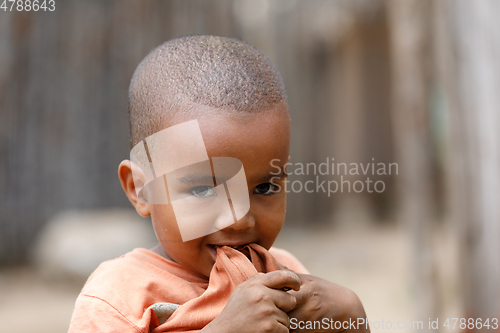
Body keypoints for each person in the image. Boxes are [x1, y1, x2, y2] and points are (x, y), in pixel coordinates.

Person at [68, 35, 369, 333]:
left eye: (264, 188)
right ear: (140, 189)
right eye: (202, 190)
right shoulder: (118, 297)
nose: (239, 218)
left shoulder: (285, 275)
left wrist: (352, 320)